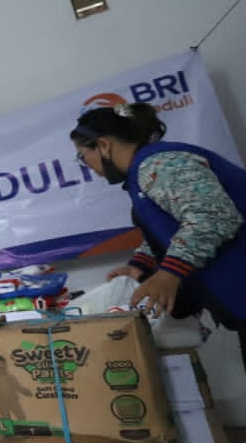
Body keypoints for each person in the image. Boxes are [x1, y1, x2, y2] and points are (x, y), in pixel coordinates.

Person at [71, 102, 246, 368]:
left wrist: (169, 274)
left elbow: (213, 217)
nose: (89, 167)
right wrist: (140, 264)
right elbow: (169, 229)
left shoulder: (160, 165)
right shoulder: (143, 173)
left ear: (103, 145)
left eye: (83, 157)